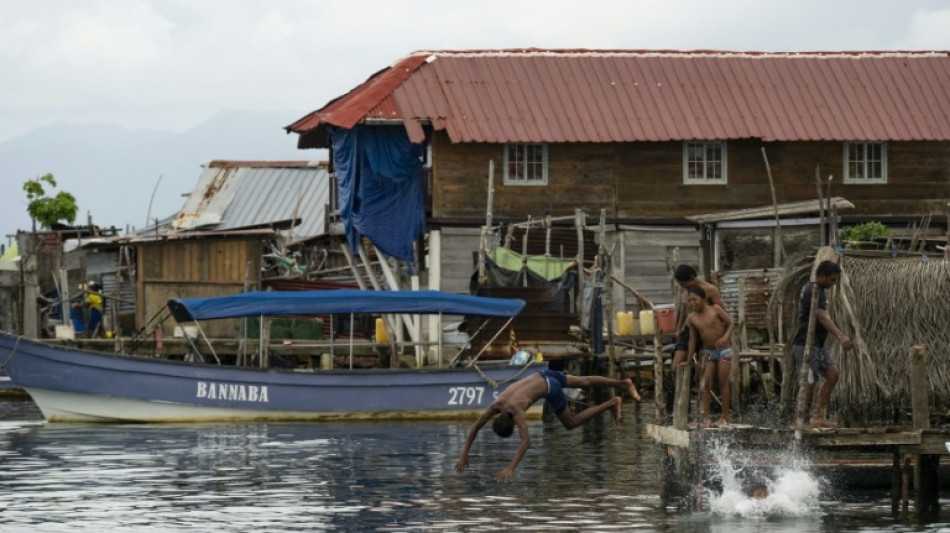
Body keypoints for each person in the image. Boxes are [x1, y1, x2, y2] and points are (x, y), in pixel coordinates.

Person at [455, 370, 640, 481]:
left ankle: (611, 403)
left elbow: (525, 443)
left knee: (571, 423)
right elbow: (475, 427)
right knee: (584, 381)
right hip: (541, 374)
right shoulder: (497, 405)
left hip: (550, 387)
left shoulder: (517, 413)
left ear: (510, 422)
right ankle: (623, 383)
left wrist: (510, 468)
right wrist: (464, 455)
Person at [792, 260, 853, 428]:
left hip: (817, 344)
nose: (833, 284)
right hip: (805, 343)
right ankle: (797, 421)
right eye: (831, 280)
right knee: (809, 381)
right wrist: (840, 336)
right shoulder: (812, 290)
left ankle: (817, 415)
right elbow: (822, 316)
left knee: (832, 374)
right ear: (822, 276)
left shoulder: (820, 290)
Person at [686, 286, 734, 428]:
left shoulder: (716, 309)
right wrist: (689, 360)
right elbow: (692, 340)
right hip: (709, 353)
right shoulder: (692, 318)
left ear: (704, 299)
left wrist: (725, 337)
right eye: (690, 301)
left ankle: (724, 418)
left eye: (695, 299)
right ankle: (705, 418)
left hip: (724, 352)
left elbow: (731, 323)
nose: (692, 303)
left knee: (723, 382)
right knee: (706, 384)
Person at [672, 264, 724, 369]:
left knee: (704, 367)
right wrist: (678, 328)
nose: (683, 287)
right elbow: (684, 309)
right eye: (680, 284)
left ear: (692, 278)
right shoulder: (686, 290)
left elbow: (721, 312)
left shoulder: (710, 290)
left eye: (683, 283)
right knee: (676, 364)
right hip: (689, 329)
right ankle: (684, 382)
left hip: (705, 330)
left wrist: (722, 335)